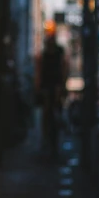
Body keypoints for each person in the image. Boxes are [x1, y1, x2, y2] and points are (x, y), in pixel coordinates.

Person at [38, 20, 66, 157]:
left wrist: (61, 87)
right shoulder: (47, 53)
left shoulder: (57, 52)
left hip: (55, 87)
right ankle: (48, 142)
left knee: (53, 115)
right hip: (50, 87)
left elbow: (62, 67)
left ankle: (52, 143)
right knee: (47, 115)